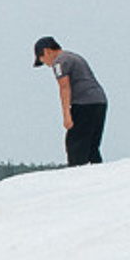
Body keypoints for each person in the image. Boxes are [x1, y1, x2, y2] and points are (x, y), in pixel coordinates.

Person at [35, 36, 107, 166]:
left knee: (75, 145)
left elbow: (64, 87)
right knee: (91, 147)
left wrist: (67, 116)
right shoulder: (72, 57)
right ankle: (98, 178)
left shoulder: (59, 62)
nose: (46, 64)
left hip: (84, 104)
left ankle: (78, 180)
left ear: (47, 52)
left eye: (42, 60)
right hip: (99, 102)